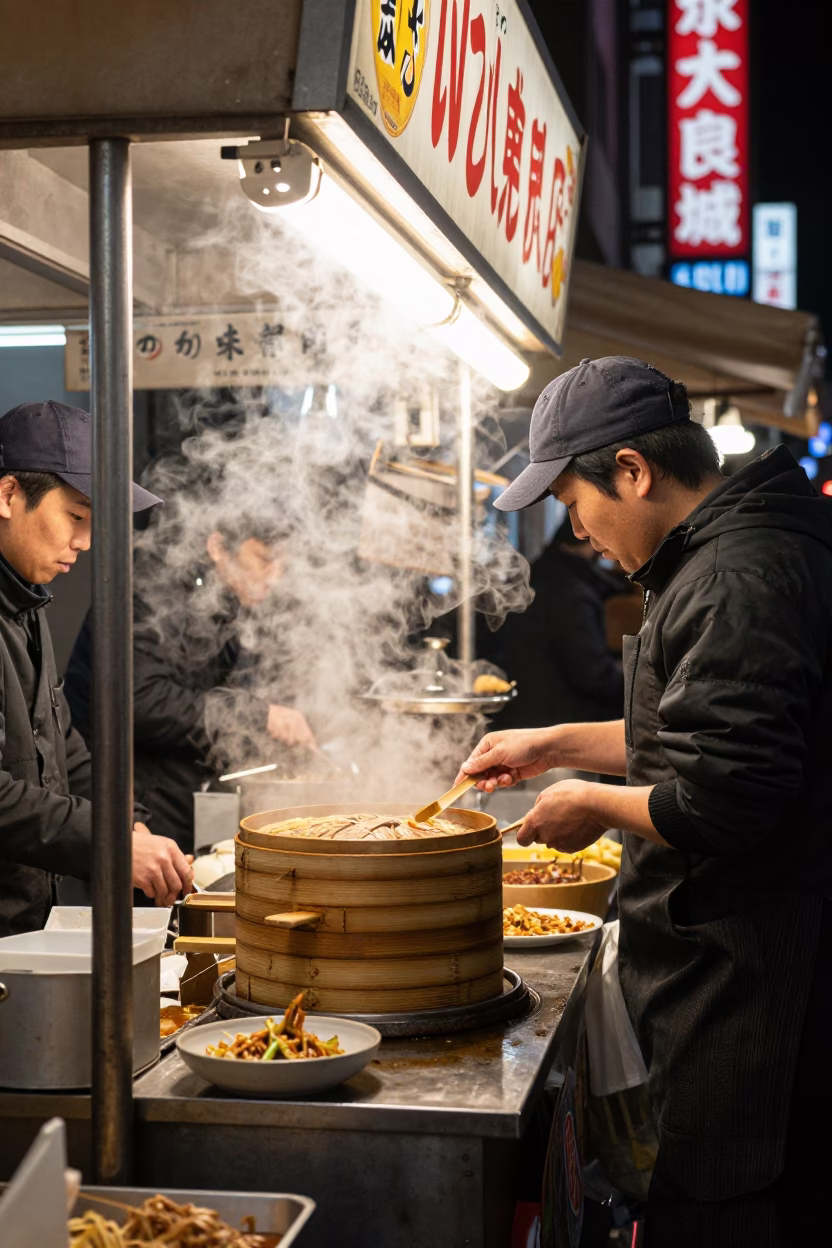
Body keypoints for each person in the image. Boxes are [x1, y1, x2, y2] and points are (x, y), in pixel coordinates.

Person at [456, 356, 832, 1243]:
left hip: (755, 976)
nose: (579, 532)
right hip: (726, 958)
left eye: (575, 504)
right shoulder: (722, 553)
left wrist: (587, 801)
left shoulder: (736, 576)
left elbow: (727, 793)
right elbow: (694, 735)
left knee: (727, 1206)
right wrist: (553, 747)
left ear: (633, 470)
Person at [0, 401, 194, 937]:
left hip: (25, 930)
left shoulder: (25, 602)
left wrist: (129, 826)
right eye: (77, 517)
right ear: (9, 493)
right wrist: (108, 844)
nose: (84, 542)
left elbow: (62, 742)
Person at [65, 517, 316, 853]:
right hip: (135, 802)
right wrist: (258, 716)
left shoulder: (225, 598)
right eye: (265, 560)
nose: (275, 577)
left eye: (284, 564)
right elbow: (140, 699)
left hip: (180, 795)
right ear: (216, 547)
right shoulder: (151, 592)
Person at [490, 516, 623, 730]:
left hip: (522, 716)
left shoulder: (537, 575)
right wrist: (638, 680)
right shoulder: (572, 593)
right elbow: (593, 675)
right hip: (560, 723)